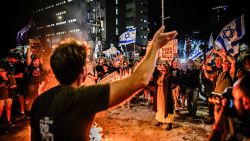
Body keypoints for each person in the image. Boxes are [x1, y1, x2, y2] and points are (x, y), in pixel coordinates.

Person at [30, 26, 178, 141]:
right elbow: (139, 79)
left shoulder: (39, 102)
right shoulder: (82, 98)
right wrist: (154, 48)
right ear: (83, 71)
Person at [208, 74, 250, 141]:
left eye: (234, 99)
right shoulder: (246, 125)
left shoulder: (245, 135)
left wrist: (218, 129)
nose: (232, 103)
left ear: (246, 102)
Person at [153, 60, 174, 130]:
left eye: (164, 67)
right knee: (159, 107)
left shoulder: (169, 76)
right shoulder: (158, 75)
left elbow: (168, 82)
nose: (162, 68)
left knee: (167, 108)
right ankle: (160, 120)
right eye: (161, 67)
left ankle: (169, 123)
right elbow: (156, 80)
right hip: (159, 94)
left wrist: (164, 75)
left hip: (166, 95)